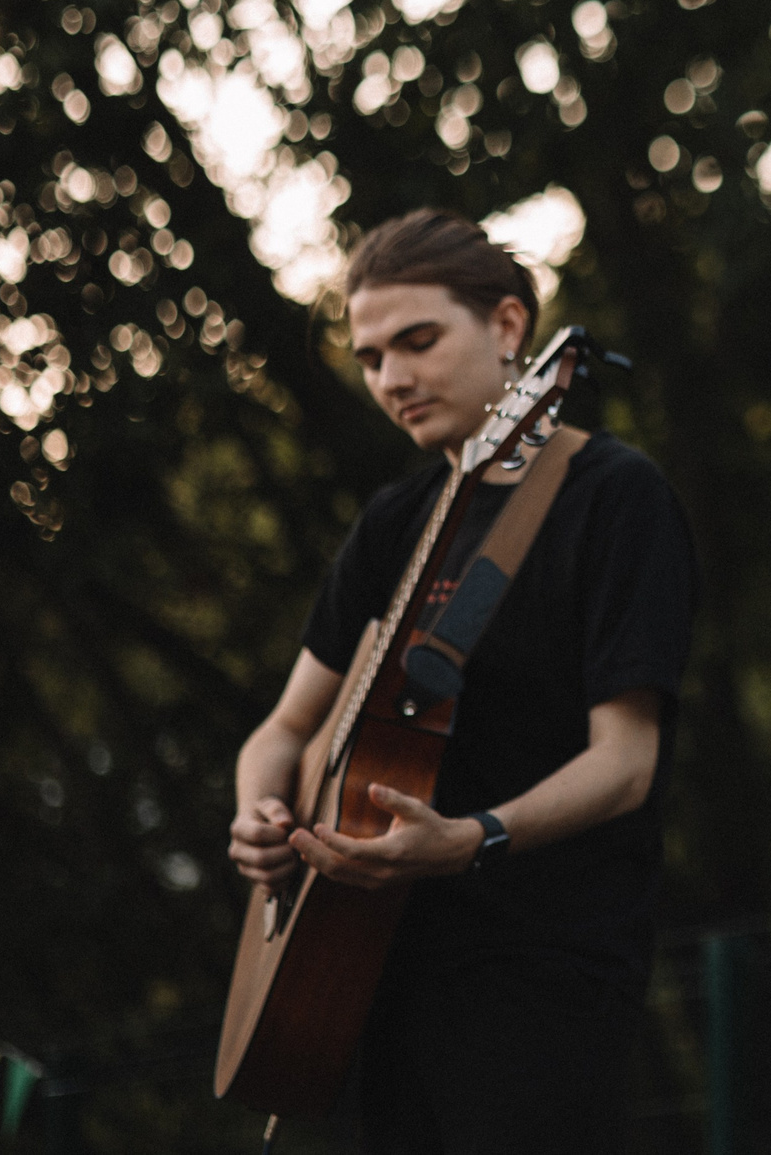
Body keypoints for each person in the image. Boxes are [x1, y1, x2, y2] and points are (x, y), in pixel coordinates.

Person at [226, 209, 696, 1154]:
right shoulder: (393, 523)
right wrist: (260, 818)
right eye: (369, 358)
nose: (393, 378)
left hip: (541, 972)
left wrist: (472, 839)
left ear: (510, 327)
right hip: (370, 967)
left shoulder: (610, 494)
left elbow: (628, 761)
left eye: (418, 340)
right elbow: (280, 732)